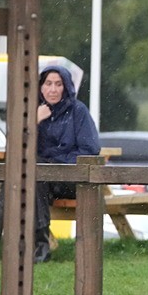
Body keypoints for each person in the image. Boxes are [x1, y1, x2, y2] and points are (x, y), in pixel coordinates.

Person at [33, 65, 99, 262]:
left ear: (66, 87)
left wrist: (55, 160)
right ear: (40, 87)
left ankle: (39, 247)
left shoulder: (78, 111)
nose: (52, 89)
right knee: (21, 183)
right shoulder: (33, 111)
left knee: (32, 178)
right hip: (41, 180)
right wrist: (33, 121)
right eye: (48, 84)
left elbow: (90, 149)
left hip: (71, 179)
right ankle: (39, 246)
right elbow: (19, 149)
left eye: (58, 84)